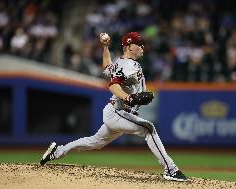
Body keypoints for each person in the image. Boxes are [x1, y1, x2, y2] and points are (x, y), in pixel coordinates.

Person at [39, 32, 188, 182]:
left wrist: (105, 47)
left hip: (117, 112)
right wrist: (127, 97)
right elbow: (113, 85)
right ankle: (170, 169)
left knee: (95, 142)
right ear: (129, 46)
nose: (143, 46)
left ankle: (57, 152)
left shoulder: (120, 63)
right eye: (139, 43)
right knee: (148, 128)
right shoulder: (128, 65)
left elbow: (107, 67)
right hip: (118, 112)